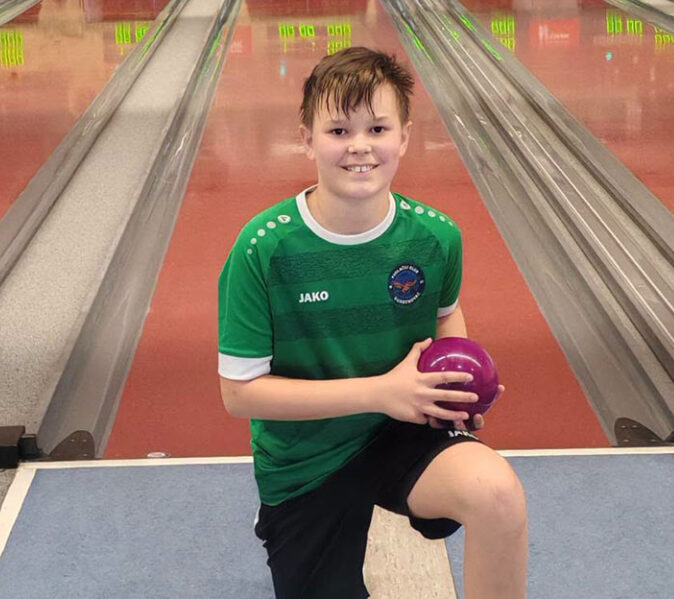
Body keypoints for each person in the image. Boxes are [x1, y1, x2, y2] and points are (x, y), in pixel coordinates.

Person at [217, 47, 527, 599]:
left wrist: (454, 394)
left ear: (404, 138)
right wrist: (381, 391)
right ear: (307, 139)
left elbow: (445, 317)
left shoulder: (435, 237)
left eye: (377, 128)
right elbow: (240, 393)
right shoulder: (263, 248)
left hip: (400, 432)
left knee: (497, 495)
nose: (359, 145)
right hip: (307, 459)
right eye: (339, 130)